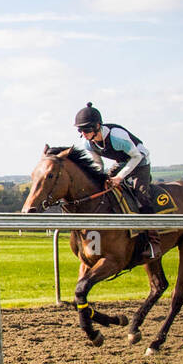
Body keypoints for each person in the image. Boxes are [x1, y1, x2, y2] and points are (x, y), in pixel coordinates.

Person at [73, 101, 159, 258]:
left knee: (141, 195)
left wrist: (120, 177)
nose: (83, 133)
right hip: (121, 162)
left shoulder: (117, 137)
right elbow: (98, 163)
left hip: (139, 162)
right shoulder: (88, 144)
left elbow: (136, 156)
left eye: (86, 129)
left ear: (97, 126)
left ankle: (154, 243)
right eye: (80, 130)